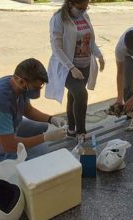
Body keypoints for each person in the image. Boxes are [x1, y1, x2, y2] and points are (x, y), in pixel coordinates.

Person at [0, 58, 67, 167]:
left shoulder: (17, 85)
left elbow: (28, 110)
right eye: (36, 87)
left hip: (4, 128)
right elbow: (8, 145)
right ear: (21, 81)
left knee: (42, 128)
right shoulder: (0, 102)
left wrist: (51, 119)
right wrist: (45, 138)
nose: (38, 91)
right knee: (38, 156)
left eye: (40, 87)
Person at [45, 0, 105, 144]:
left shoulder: (84, 16)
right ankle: (81, 132)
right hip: (66, 68)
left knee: (73, 96)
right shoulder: (58, 19)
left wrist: (99, 55)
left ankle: (71, 129)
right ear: (70, 3)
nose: (83, 10)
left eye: (86, 7)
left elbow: (90, 41)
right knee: (81, 95)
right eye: (80, 8)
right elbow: (56, 48)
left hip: (84, 66)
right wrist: (71, 67)